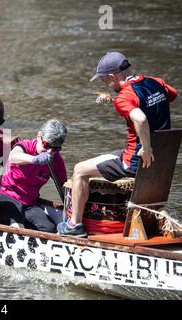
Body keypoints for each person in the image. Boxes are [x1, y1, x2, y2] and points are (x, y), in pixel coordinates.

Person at [57, 51, 180, 237]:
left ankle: (74, 226)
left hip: (136, 161)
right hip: (163, 160)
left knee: (79, 170)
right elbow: (177, 101)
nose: (104, 83)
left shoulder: (125, 96)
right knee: (110, 155)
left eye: (104, 80)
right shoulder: (156, 82)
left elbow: (140, 117)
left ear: (113, 76)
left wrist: (146, 148)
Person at [0, 119, 67, 231]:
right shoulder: (25, 146)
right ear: (39, 136)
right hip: (3, 195)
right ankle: (14, 228)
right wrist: (34, 159)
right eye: (46, 145)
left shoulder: (57, 161)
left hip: (28, 204)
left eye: (55, 149)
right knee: (16, 213)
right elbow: (13, 156)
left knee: (49, 228)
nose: (50, 152)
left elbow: (63, 186)